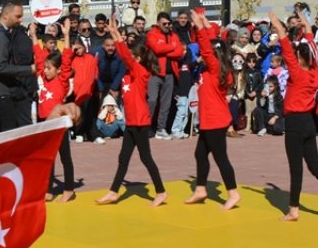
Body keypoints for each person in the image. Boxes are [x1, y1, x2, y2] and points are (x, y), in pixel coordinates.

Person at [269, 15, 318, 223]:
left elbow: (286, 45)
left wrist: (278, 26)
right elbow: (312, 44)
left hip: (295, 124)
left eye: (296, 56)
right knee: (314, 166)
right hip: (308, 123)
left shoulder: (297, 72)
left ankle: (293, 210)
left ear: (300, 59)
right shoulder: (314, 72)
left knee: (296, 169)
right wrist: (305, 24)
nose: (292, 58)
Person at [97, 25, 167, 206]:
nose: (126, 58)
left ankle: (161, 192)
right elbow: (125, 58)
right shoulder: (127, 75)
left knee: (146, 158)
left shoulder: (140, 72)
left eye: (130, 56)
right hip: (131, 123)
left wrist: (117, 37)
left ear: (137, 58)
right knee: (123, 158)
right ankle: (113, 192)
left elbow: (126, 57)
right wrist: (114, 34)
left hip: (140, 122)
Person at [184, 13, 241, 210]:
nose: (201, 54)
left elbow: (207, 49)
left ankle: (233, 193)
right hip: (209, 120)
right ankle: (201, 188)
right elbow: (210, 45)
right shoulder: (210, 70)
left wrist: (199, 27)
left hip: (215, 121)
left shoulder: (215, 69)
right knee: (200, 154)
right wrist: (207, 27)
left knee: (220, 158)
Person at [37, 21, 75, 203]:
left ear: (59, 70)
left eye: (49, 68)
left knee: (64, 156)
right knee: (48, 159)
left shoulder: (61, 80)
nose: (45, 71)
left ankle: (69, 189)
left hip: (58, 124)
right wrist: (33, 37)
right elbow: (38, 56)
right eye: (45, 68)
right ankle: (47, 189)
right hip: (44, 122)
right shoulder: (44, 77)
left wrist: (66, 35)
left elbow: (66, 59)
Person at [0, 2, 35, 132]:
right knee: (8, 135)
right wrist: (29, 69)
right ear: (6, 15)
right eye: (18, 16)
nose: (21, 19)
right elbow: (0, 67)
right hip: (1, 92)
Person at [145, 12, 185, 138]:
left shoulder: (174, 35)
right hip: (155, 73)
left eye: (169, 23)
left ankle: (160, 129)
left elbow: (179, 52)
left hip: (170, 74)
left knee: (166, 103)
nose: (167, 26)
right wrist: (171, 47)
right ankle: (145, 127)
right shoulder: (152, 34)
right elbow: (156, 48)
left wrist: (166, 50)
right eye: (164, 23)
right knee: (151, 101)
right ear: (158, 23)